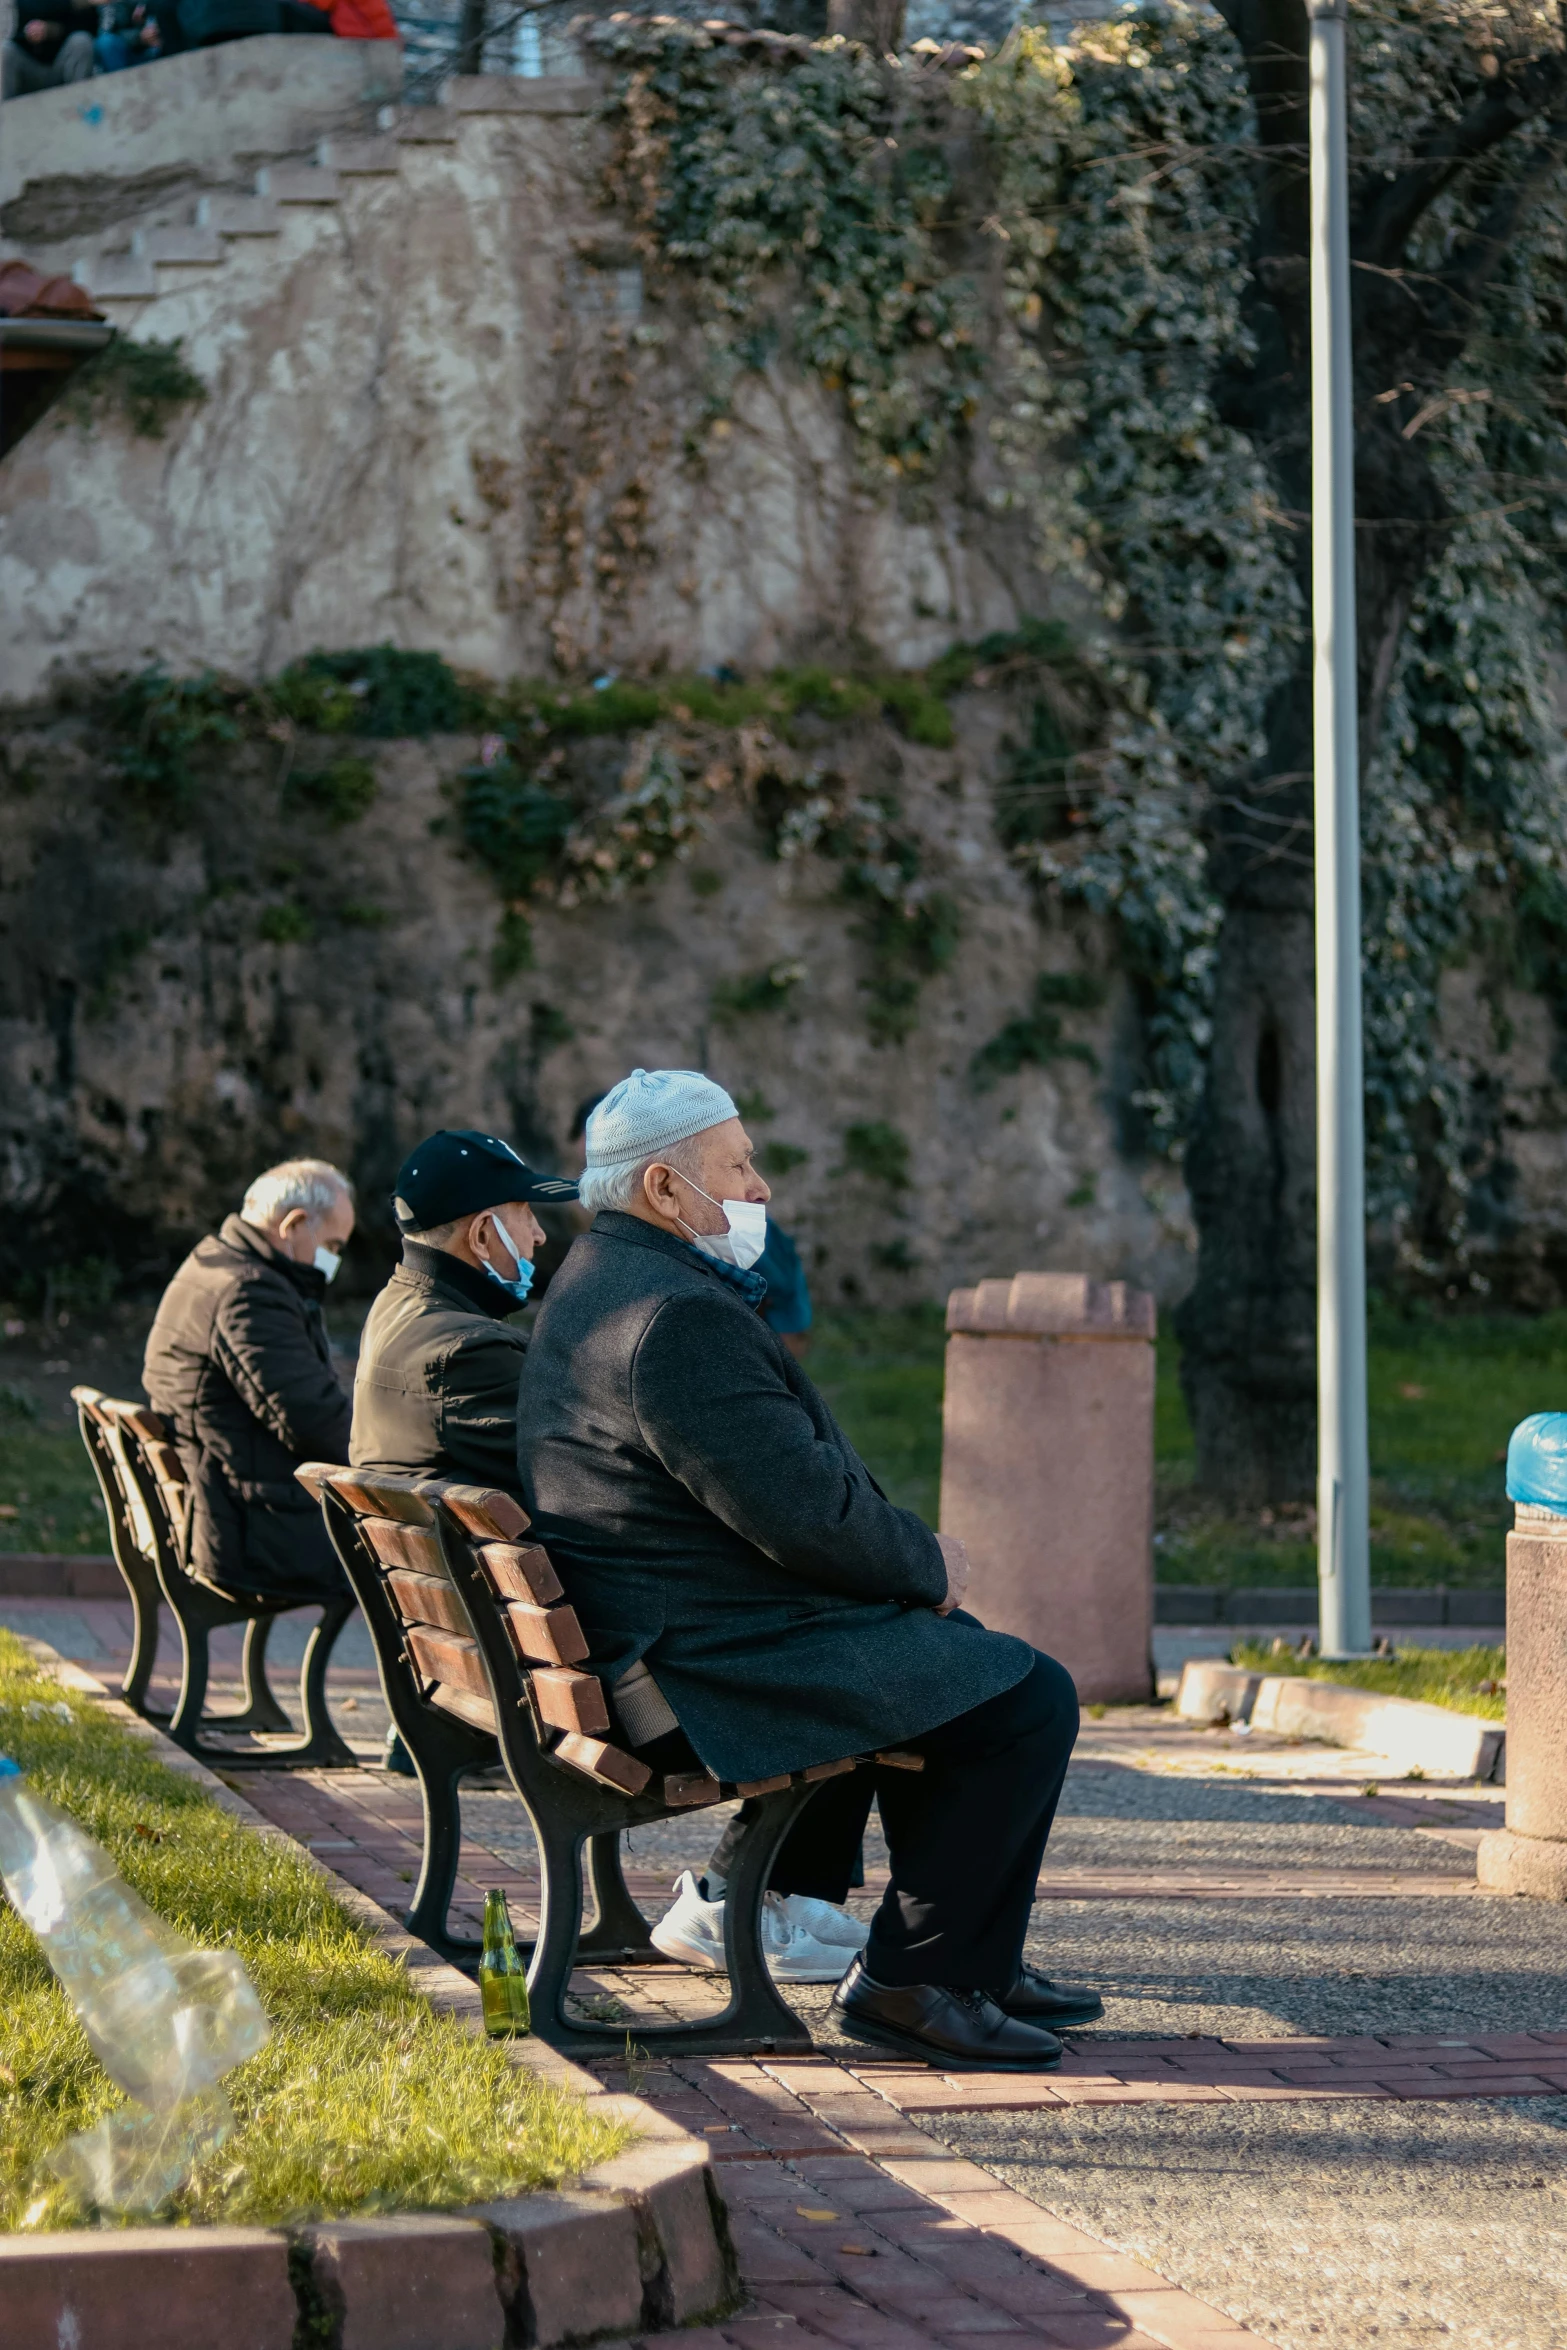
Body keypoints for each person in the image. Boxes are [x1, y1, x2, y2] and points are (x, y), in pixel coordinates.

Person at [517, 1068, 1100, 2070]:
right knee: (1027, 1696)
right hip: (699, 1663)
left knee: (961, 1666)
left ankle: (970, 1964)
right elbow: (801, 1515)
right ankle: (910, 1983)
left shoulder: (601, 1277)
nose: (760, 1188)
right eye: (737, 1165)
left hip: (654, 1636)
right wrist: (929, 1563)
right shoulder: (671, 1316)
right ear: (664, 1187)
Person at [143, 1158, 356, 1601]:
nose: (332, 1261)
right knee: (414, 1557)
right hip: (253, 1530)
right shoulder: (249, 1292)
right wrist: (387, 1455)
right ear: (294, 1224)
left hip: (226, 1508)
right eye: (332, 1245)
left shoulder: (211, 1263)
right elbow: (314, 1422)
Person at [350, 1128, 578, 1494]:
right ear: (483, 1235)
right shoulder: (470, 1351)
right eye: (526, 1211)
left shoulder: (391, 1306)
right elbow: (585, 1474)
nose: (539, 1235)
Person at [2, 0, 95, 96]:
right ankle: (4, 109)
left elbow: (89, 26)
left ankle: (81, 101)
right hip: (29, 68)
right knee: (6, 50)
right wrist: (28, 33)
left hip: (63, 63)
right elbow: (7, 33)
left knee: (81, 41)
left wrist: (54, 30)